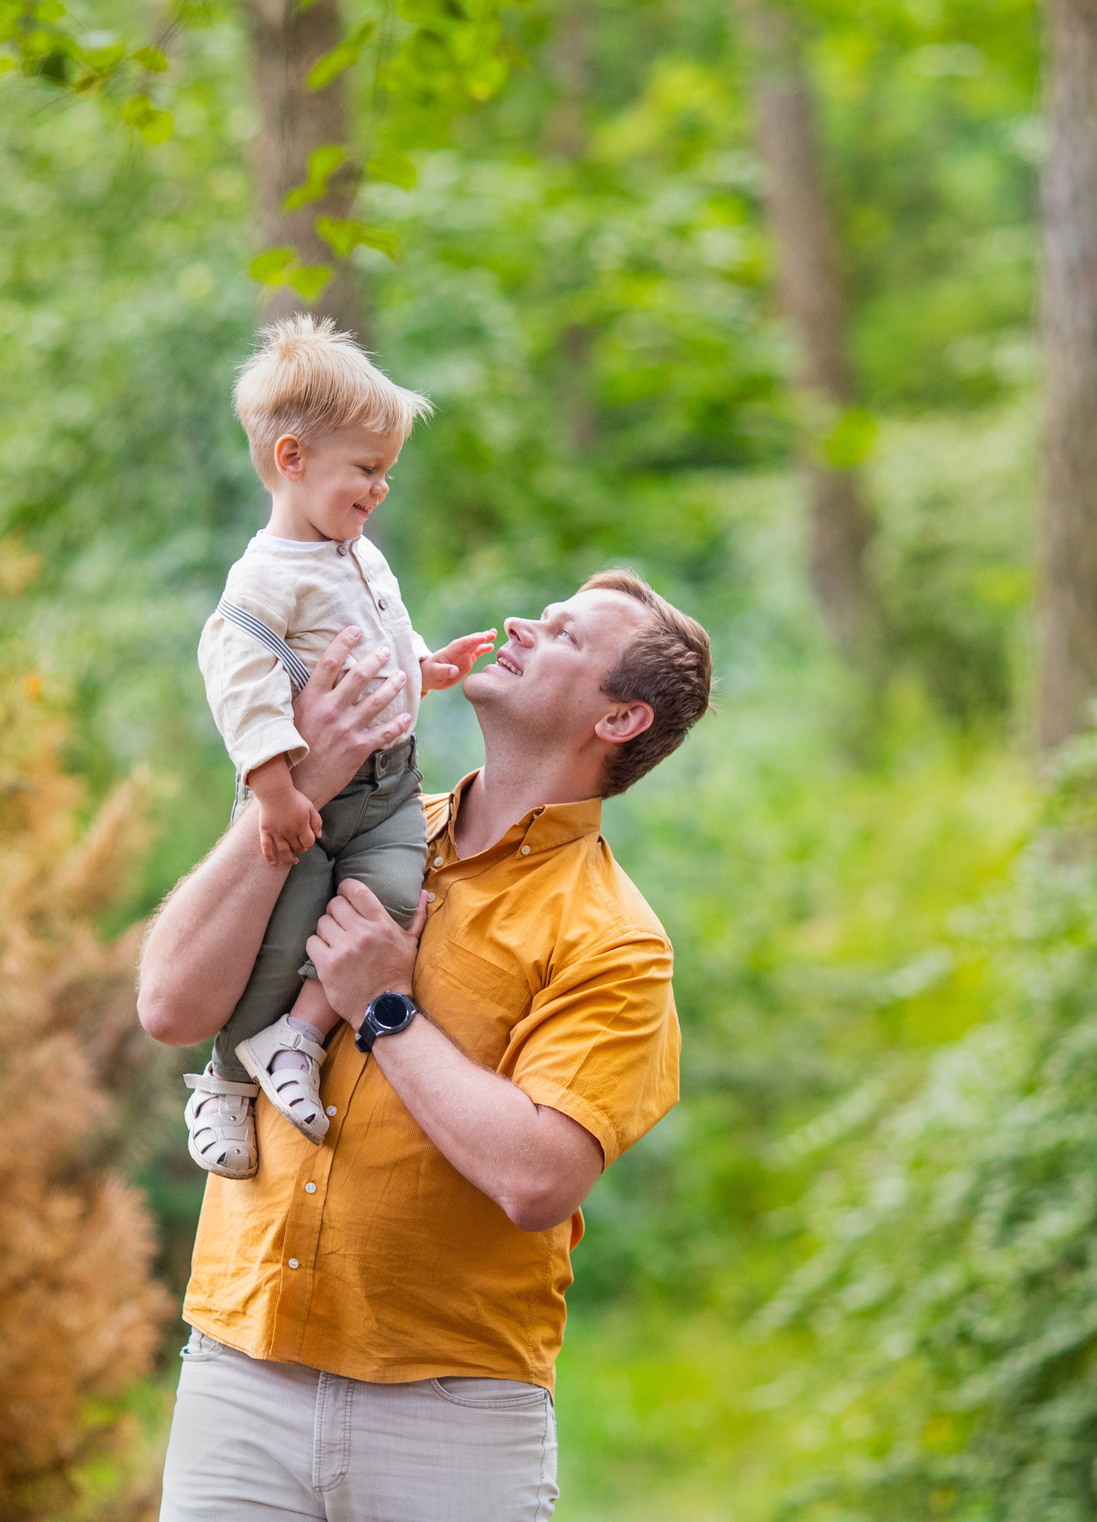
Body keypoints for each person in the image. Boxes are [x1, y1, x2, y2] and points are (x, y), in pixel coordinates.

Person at [138, 570, 715, 1521]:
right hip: (240, 1371)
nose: (527, 622)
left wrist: (385, 1008)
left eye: (567, 634)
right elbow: (169, 1001)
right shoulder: (358, 823)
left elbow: (538, 1177)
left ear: (619, 719)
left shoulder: (615, 941)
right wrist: (308, 779)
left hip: (451, 1415)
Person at [186, 317, 495, 1177]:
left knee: (396, 897)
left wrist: (424, 669)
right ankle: (221, 1081)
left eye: (386, 471)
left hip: (390, 785)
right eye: (366, 470)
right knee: (285, 935)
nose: (380, 488)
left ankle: (298, 1033)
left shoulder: (356, 551)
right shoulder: (264, 578)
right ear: (292, 459)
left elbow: (374, 637)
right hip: (306, 792)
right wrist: (275, 790)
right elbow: (239, 680)